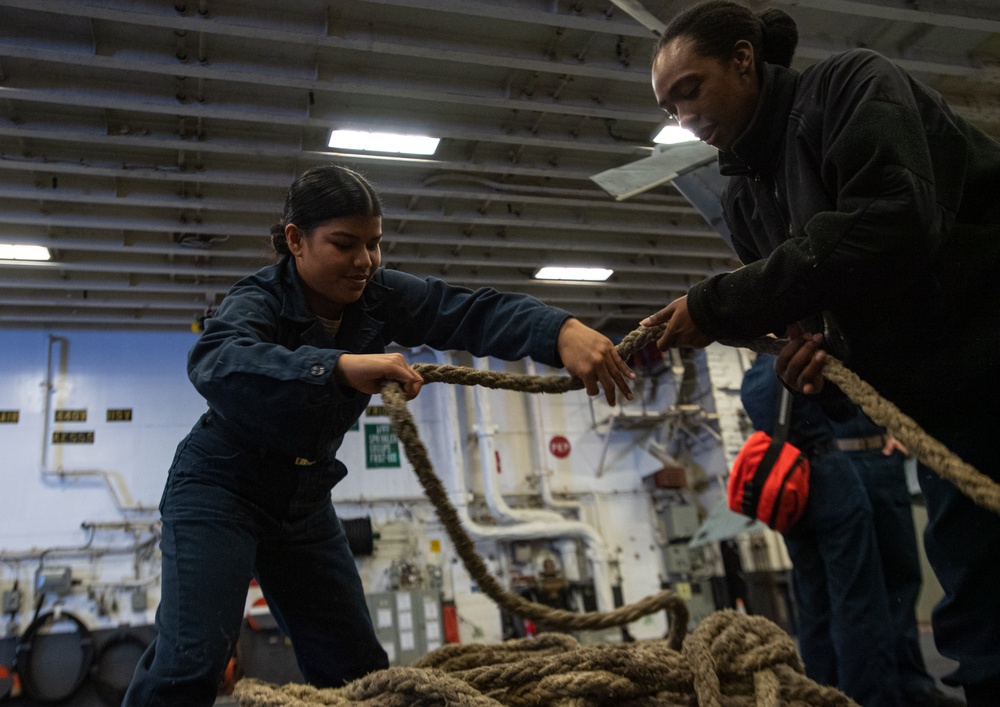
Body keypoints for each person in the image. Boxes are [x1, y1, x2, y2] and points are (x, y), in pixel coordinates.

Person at [122, 163, 636, 705]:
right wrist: (337, 366)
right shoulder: (259, 299)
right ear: (295, 240)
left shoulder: (379, 296)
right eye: (345, 244)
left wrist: (560, 330)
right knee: (192, 662)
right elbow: (217, 360)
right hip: (220, 488)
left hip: (302, 501)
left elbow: (467, 311)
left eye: (374, 244)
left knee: (357, 670)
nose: (364, 261)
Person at [644, 2, 1000, 703]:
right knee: (980, 615)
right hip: (942, 412)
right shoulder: (748, 201)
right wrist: (816, 367)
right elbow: (823, 322)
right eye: (668, 104)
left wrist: (717, 303)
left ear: (744, 60)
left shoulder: (850, 86)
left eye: (690, 88)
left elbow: (895, 222)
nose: (682, 116)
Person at [741, 353, 901, 707]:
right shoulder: (796, 358)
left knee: (813, 608)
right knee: (858, 604)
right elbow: (843, 411)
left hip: (790, 494)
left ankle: (820, 696)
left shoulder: (752, 380)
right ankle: (872, 699)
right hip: (831, 481)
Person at [833, 411, 965, 707]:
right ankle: (874, 695)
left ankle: (912, 683)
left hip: (883, 458)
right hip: (843, 460)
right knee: (862, 595)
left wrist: (900, 432)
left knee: (903, 580)